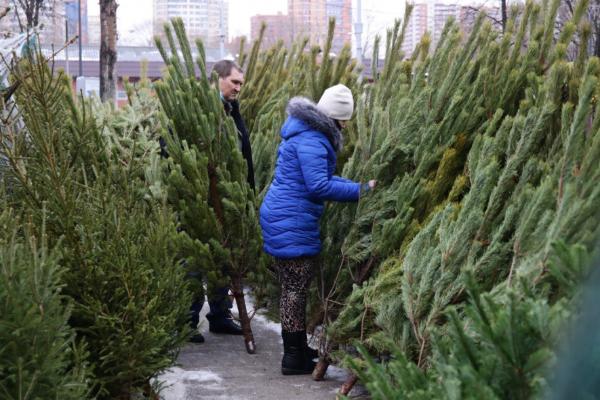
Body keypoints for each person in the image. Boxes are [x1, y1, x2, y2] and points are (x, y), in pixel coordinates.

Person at [259, 84, 376, 375]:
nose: (347, 124)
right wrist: (361, 191)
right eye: (345, 119)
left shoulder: (306, 132)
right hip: (290, 219)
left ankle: (297, 348)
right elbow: (319, 185)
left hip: (285, 215)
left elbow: (322, 176)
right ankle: (292, 357)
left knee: (293, 288)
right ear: (336, 116)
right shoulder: (312, 139)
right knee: (295, 290)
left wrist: (355, 185)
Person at [165, 60, 255, 344]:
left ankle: (220, 315)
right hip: (197, 198)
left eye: (241, 83)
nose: (239, 88)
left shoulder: (231, 111)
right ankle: (186, 320)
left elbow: (243, 156)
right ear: (218, 79)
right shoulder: (199, 110)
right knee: (192, 260)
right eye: (234, 82)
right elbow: (172, 146)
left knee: (221, 256)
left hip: (227, 198)